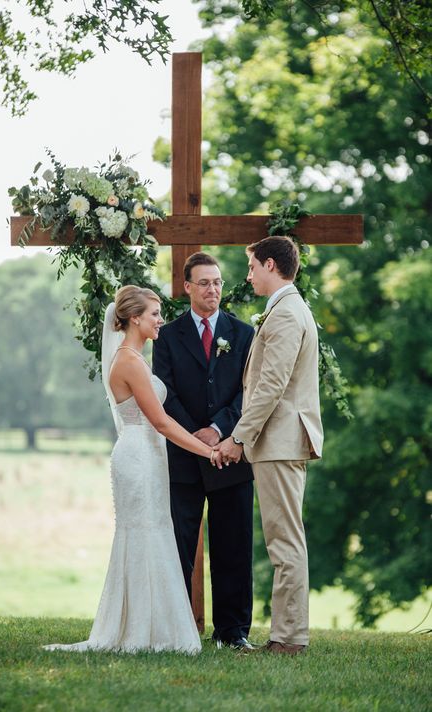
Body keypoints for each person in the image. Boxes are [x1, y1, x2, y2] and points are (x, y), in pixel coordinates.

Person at [44, 285, 224, 654]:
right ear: (135, 318)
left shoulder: (137, 358)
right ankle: (143, 631)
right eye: (155, 314)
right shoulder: (127, 361)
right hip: (139, 456)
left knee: (155, 532)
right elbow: (161, 422)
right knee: (144, 533)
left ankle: (154, 626)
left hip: (149, 455)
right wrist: (207, 452)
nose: (161, 320)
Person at [218, 236, 324, 656]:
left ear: (269, 265)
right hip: (280, 440)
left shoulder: (284, 314)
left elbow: (270, 386)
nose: (248, 276)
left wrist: (239, 436)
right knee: (284, 540)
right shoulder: (288, 308)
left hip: (279, 440)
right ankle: (287, 634)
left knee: (284, 542)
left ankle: (289, 639)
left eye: (251, 268)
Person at [153, 252, 255, 650]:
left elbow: (251, 391)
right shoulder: (168, 335)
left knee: (233, 547)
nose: (213, 289)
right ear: (188, 287)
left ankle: (233, 633)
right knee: (178, 545)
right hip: (182, 458)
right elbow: (165, 393)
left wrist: (218, 430)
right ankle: (175, 630)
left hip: (230, 454)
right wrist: (196, 438)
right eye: (205, 283)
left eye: (218, 282)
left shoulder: (243, 334)